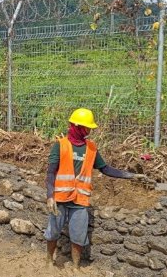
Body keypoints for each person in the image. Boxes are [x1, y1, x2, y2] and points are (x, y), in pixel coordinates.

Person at [45, 108, 149, 268]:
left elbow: (105, 169)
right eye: (87, 127)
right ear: (77, 126)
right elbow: (51, 172)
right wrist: (50, 196)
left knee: (79, 235)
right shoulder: (61, 145)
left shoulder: (91, 148)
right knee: (53, 232)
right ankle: (49, 260)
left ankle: (75, 266)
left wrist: (130, 175)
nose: (89, 131)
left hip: (80, 200)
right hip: (59, 198)